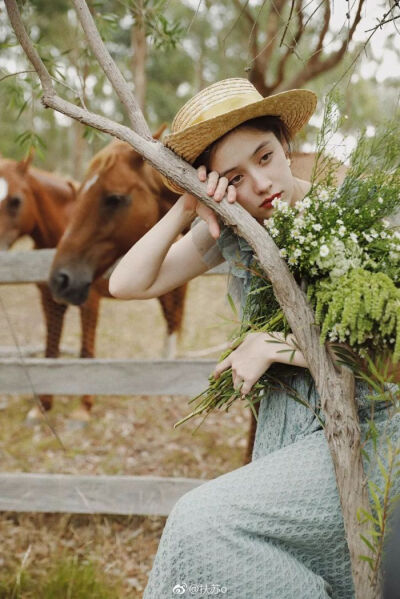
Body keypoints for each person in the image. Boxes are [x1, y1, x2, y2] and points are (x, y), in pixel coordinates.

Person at [109, 79, 399, 599]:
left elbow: (384, 346)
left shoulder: (355, 219)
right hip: (284, 443)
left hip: (366, 434)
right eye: (234, 177)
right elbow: (127, 283)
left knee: (201, 522)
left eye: (265, 157)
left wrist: (272, 344)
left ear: (286, 147)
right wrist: (187, 207)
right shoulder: (235, 233)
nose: (260, 184)